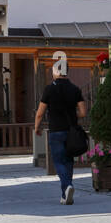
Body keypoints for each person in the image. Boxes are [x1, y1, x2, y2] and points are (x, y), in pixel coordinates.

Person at [34, 61, 87, 205]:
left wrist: (36, 128)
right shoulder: (75, 89)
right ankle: (65, 194)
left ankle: (67, 185)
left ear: (56, 72)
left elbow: (40, 113)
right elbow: (83, 112)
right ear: (67, 71)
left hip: (56, 131)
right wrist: (72, 115)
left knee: (58, 161)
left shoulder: (49, 89)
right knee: (68, 161)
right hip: (71, 131)